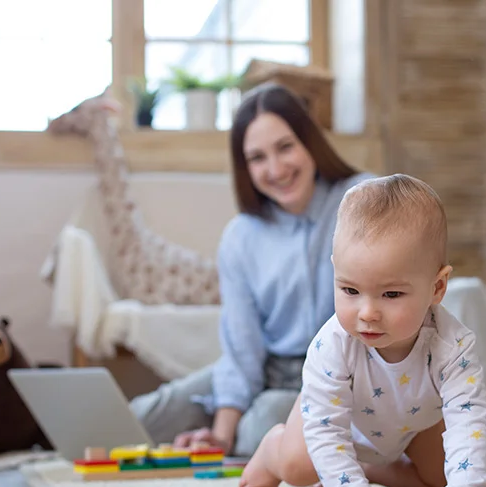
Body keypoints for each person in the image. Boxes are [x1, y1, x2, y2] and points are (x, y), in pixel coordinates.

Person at [238, 174, 486, 487]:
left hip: (414, 422)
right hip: (336, 418)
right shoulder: (333, 344)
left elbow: (470, 423)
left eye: (391, 295)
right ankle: (271, 451)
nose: (367, 312)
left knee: (443, 484)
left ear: (437, 287)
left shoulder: (451, 346)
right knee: (298, 466)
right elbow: (326, 428)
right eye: (350, 290)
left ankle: (373, 470)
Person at [129, 83, 374, 456]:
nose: (275, 169)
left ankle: (236, 435)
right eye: (257, 158)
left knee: (261, 426)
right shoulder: (241, 236)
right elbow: (242, 347)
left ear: (310, 141)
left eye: (285, 147)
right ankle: (220, 433)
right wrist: (223, 432)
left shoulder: (362, 199)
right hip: (268, 370)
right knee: (143, 417)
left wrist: (231, 434)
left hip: (340, 374)